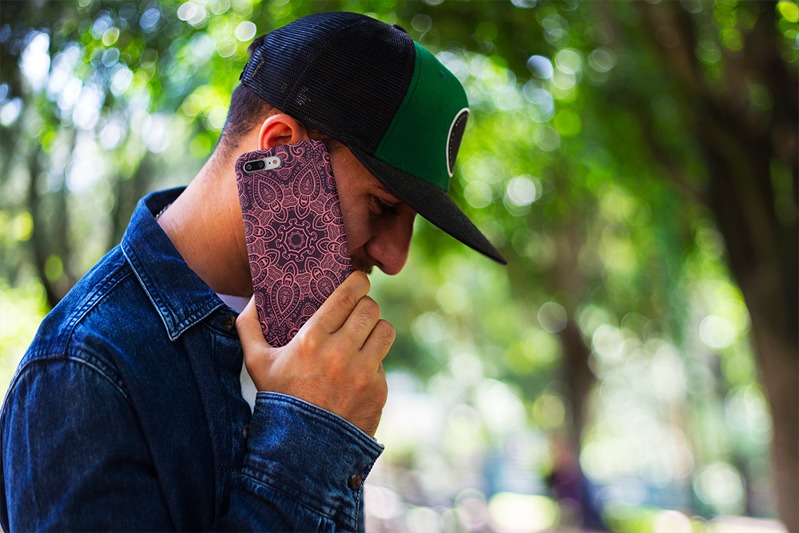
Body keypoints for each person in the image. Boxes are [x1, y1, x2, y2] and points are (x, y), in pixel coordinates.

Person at [0, 11, 506, 531]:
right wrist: (309, 433)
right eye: (382, 205)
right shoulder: (82, 369)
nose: (395, 258)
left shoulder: (310, 344)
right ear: (281, 150)